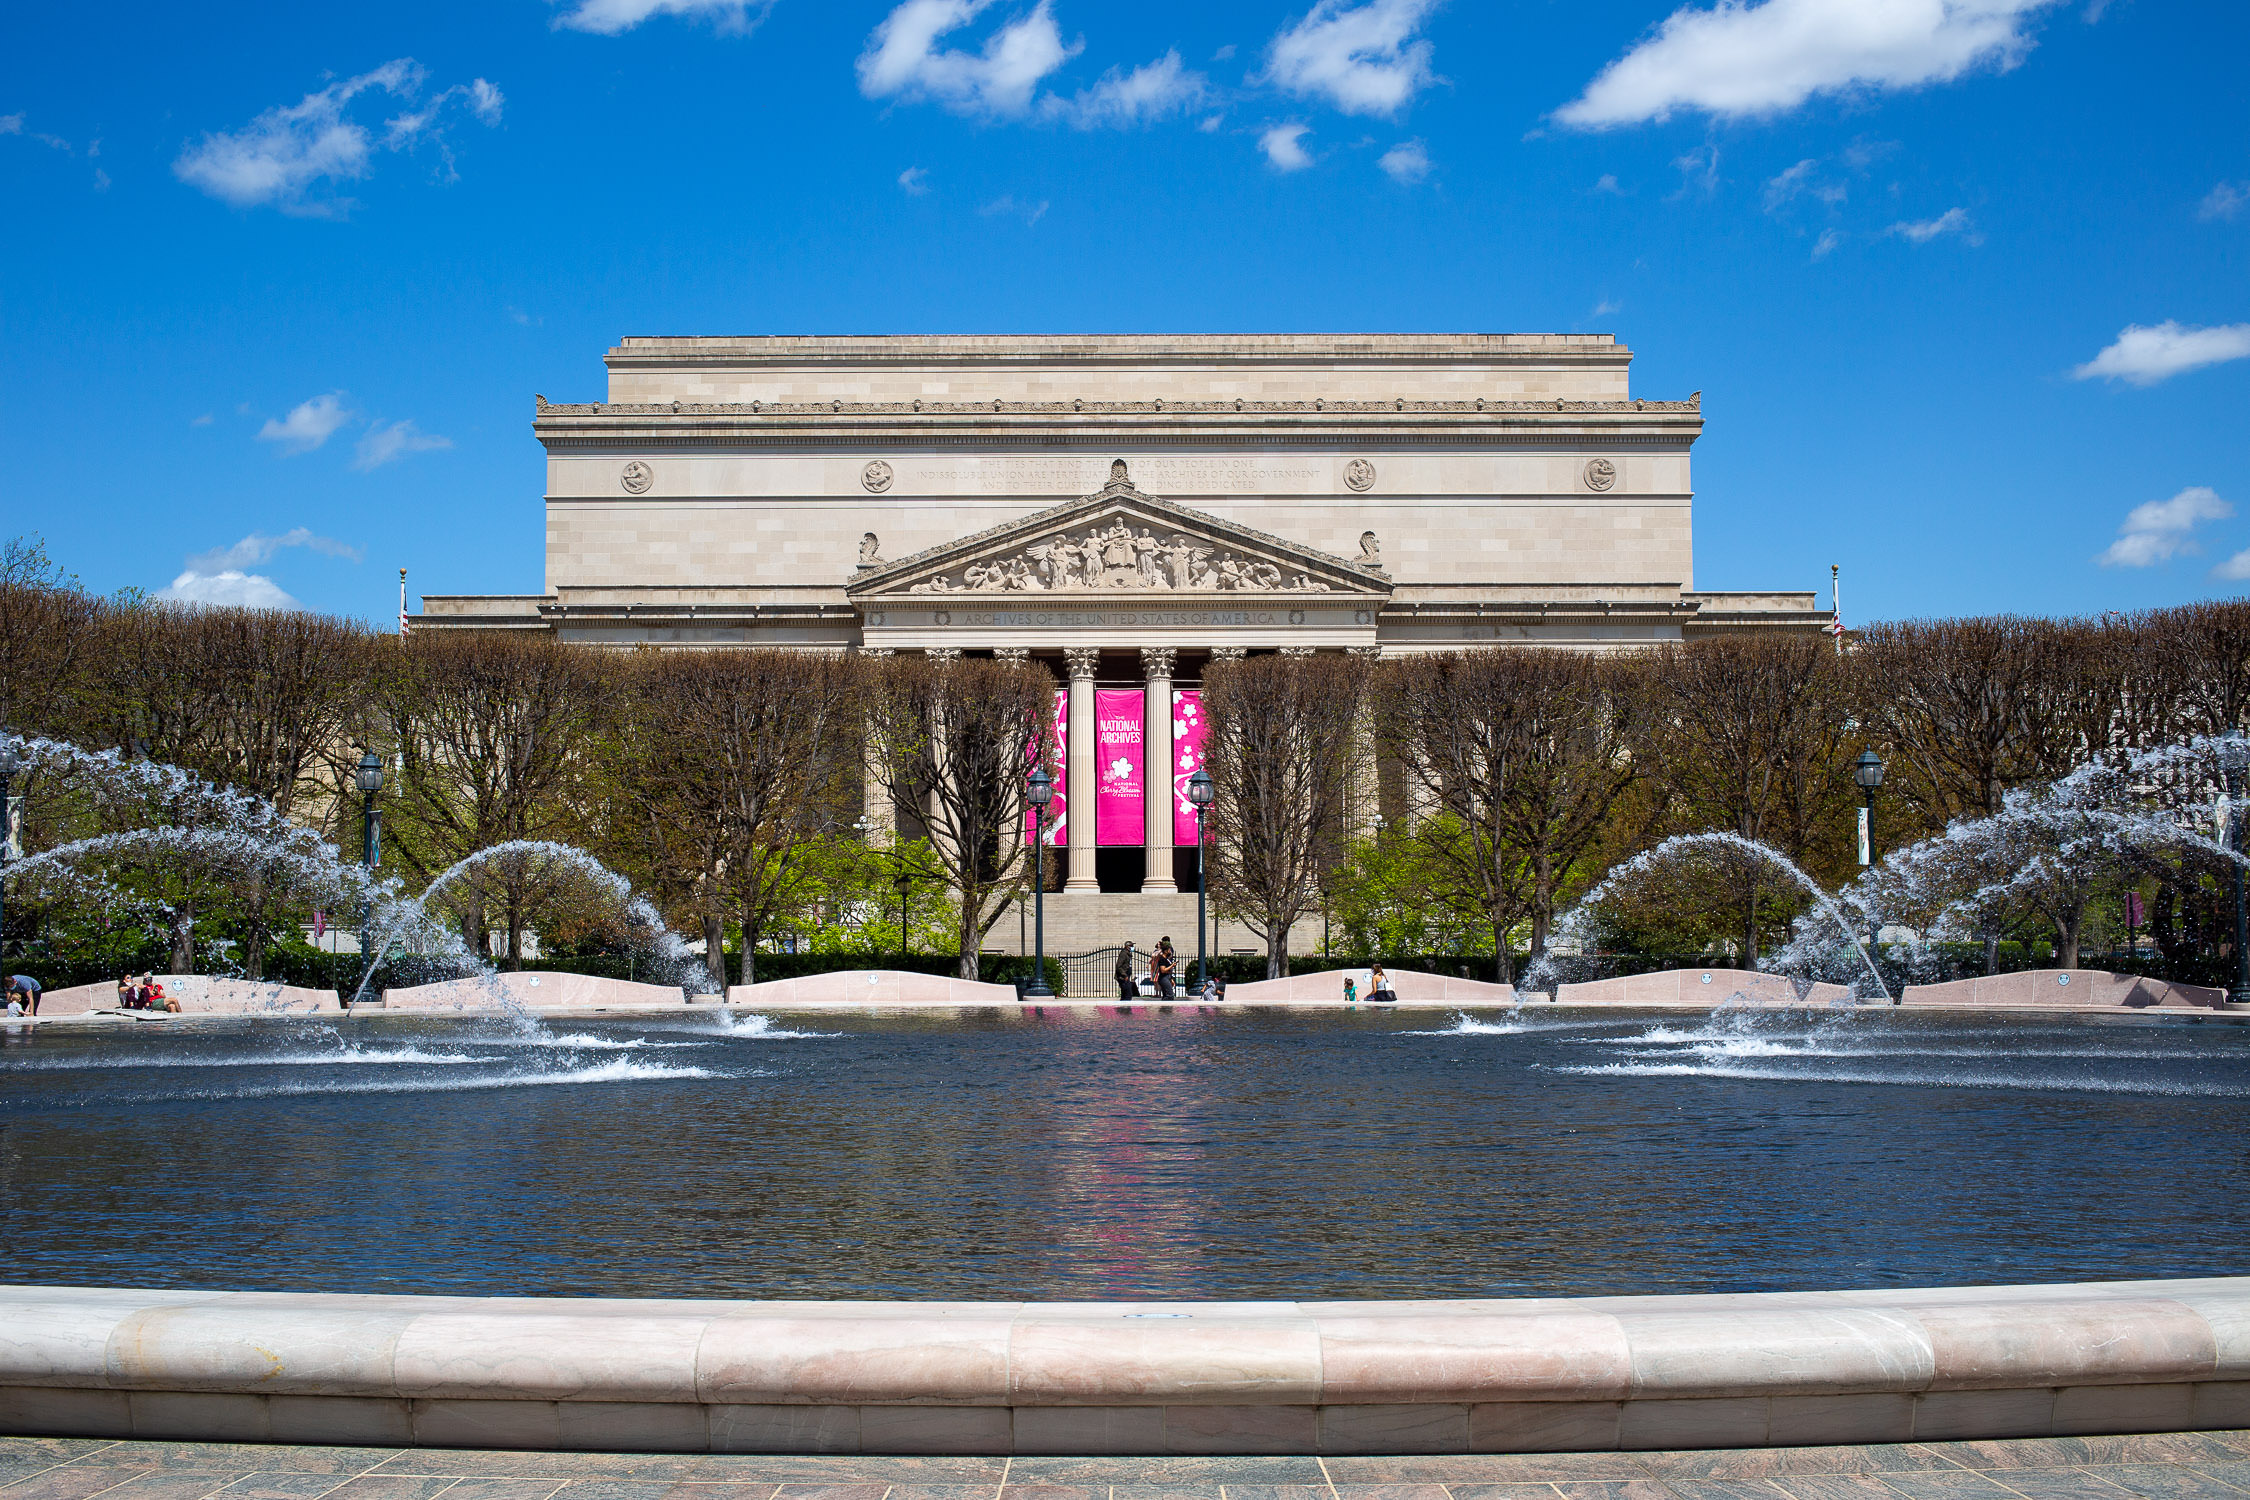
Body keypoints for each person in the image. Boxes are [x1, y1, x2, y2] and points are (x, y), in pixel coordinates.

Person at [1152, 937, 1177, 1003]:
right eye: (1169, 950)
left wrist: (1171, 979)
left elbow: (1168, 971)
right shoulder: (1162, 959)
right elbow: (1163, 970)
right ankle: (1165, 1008)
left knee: (1167, 995)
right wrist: (1172, 965)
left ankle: (1164, 1010)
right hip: (1163, 978)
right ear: (1165, 951)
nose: (1170, 951)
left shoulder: (1167, 959)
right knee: (1169, 995)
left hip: (1167, 977)